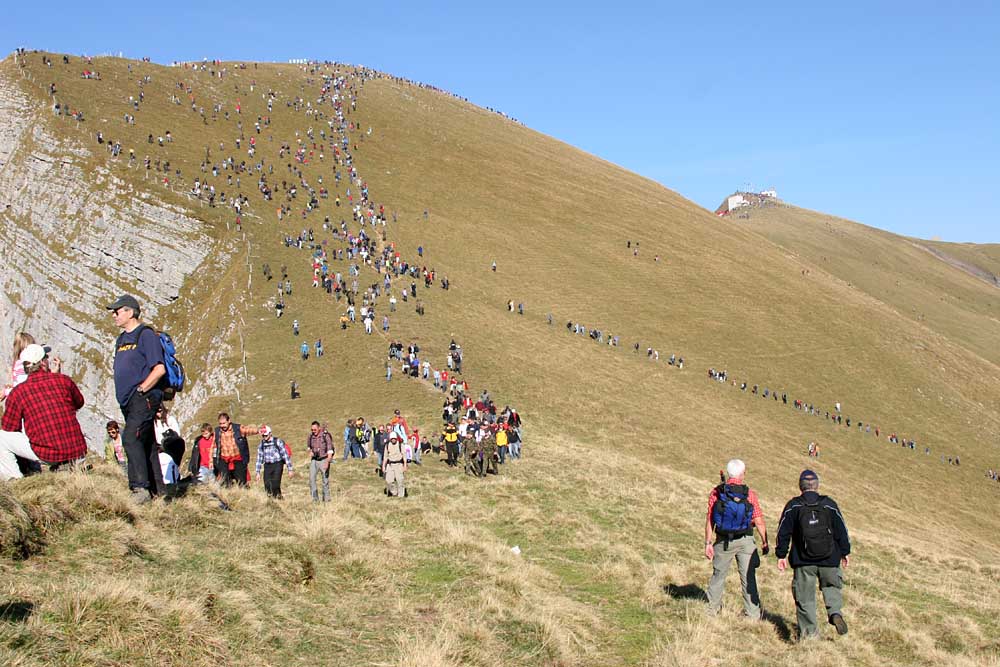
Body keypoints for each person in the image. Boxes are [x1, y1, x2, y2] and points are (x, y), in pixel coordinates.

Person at [775, 470, 851, 640]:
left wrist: (781, 555)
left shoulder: (793, 505)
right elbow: (841, 530)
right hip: (830, 559)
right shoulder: (829, 504)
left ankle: (810, 635)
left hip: (803, 561)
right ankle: (834, 612)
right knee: (832, 587)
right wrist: (845, 552)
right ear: (817, 485)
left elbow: (783, 532)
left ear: (800, 486)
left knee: (805, 598)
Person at [108, 294, 168, 503]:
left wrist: (143, 389)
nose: (114, 315)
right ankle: (159, 492)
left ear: (130, 312)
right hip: (128, 401)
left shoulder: (146, 335)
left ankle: (139, 489)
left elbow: (159, 369)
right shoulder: (121, 339)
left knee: (130, 438)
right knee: (146, 443)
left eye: (118, 311)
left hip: (143, 397)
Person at [0, 344, 88, 480]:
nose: (48, 359)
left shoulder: (18, 392)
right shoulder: (63, 380)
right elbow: (79, 402)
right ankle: (73, 464)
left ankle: (15, 480)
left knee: (2, 438)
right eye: (46, 357)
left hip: (50, 454)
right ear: (42, 362)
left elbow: (9, 427)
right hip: (78, 451)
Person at [704, 459, 769, 619]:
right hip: (746, 540)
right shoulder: (749, 494)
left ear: (728, 473)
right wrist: (765, 541)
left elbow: (710, 520)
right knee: (748, 577)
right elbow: (758, 520)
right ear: (742, 474)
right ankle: (753, 615)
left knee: (718, 575)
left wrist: (708, 543)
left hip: (723, 540)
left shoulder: (717, 493)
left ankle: (711, 610)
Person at [213, 413, 261, 487]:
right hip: (224, 460)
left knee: (241, 481)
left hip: (238, 459)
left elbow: (248, 430)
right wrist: (212, 460)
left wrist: (259, 431)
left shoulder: (238, 428)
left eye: (224, 423)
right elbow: (213, 446)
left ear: (229, 421)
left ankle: (244, 495)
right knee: (225, 482)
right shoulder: (217, 431)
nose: (222, 426)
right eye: (220, 424)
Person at [254, 425, 293, 498]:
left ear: (270, 434)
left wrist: (290, 469)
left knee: (275, 484)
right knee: (267, 485)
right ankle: (271, 501)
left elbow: (285, 455)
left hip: (278, 464)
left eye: (265, 435)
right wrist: (258, 472)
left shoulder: (278, 442)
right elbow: (259, 458)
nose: (264, 437)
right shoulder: (262, 444)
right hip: (267, 466)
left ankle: (279, 499)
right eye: (263, 436)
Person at [306, 421, 334, 502]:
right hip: (314, 460)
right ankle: (315, 499)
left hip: (324, 459)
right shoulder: (310, 436)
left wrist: (327, 462)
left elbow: (330, 449)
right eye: (312, 430)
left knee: (325, 480)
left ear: (319, 428)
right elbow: (308, 446)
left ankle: (326, 499)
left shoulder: (325, 436)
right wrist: (310, 451)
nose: (313, 431)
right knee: (311, 479)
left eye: (315, 429)